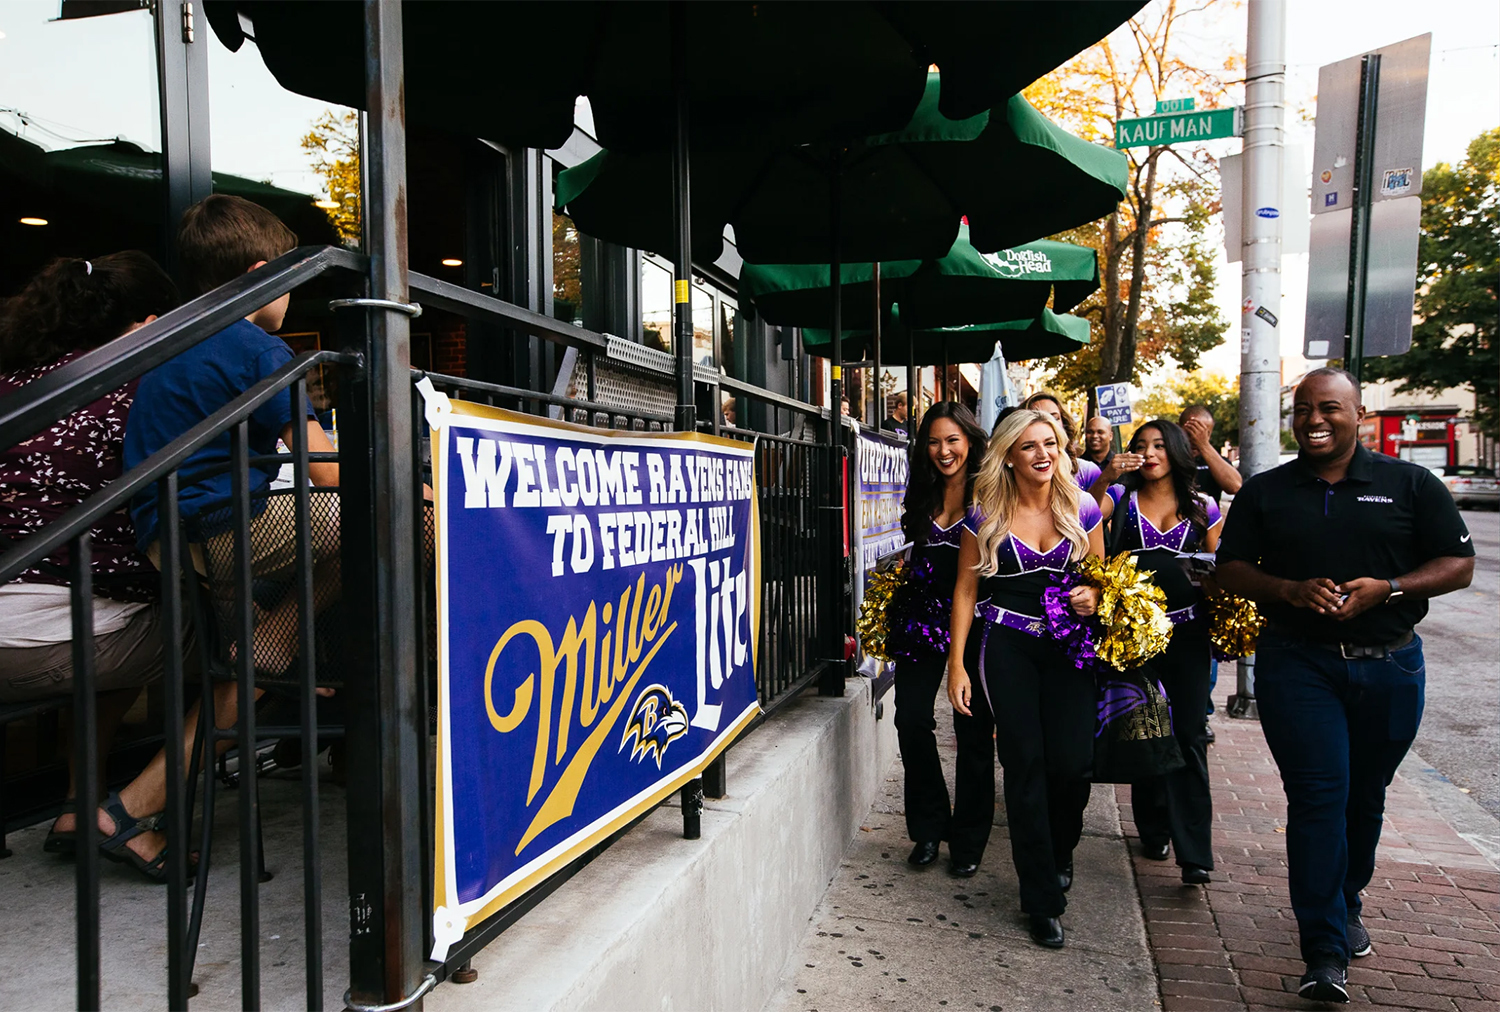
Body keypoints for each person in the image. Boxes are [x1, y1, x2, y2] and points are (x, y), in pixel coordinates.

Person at [1216, 368, 1474, 1004]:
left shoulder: (1409, 483)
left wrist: (1388, 588)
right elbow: (1230, 568)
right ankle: (1323, 949)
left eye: (1329, 408)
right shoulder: (1268, 492)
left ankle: (1346, 897)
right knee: (1317, 796)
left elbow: (1458, 565)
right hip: (1298, 664)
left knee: (1365, 796)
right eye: (1303, 410)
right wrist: (1288, 591)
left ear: (1359, 414)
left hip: (1391, 665)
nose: (1314, 421)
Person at [111, 195, 343, 877]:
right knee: (408, 524)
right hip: (220, 529)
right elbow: (328, 468)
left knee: (252, 673)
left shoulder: (180, 339)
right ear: (263, 273)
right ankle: (290, 646)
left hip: (173, 533)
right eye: (293, 283)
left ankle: (123, 809)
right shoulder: (256, 346)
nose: (296, 298)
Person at [0, 253, 183, 865]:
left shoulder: (14, 387)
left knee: (121, 614)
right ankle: (130, 810)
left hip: (24, 620)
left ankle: (81, 803)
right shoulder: (132, 390)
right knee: (258, 641)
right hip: (42, 639)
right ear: (145, 325)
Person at [947, 409, 1104, 950]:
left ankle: (1060, 853)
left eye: (1051, 443)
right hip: (1005, 645)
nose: (1043, 454)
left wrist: (1093, 597)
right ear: (1009, 455)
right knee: (1025, 765)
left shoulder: (1082, 508)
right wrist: (957, 664)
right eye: (1030, 445)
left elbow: (1103, 581)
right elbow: (965, 592)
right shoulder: (984, 513)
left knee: (1073, 766)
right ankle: (1041, 898)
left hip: (1070, 650)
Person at [1104, 420, 1222, 884]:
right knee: (1147, 729)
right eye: (1140, 446)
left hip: (1188, 634)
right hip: (1135, 636)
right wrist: (1107, 476)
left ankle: (1194, 852)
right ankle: (1153, 827)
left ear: (1176, 451)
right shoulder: (1122, 499)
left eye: (1158, 445)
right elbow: (1084, 516)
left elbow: (1219, 567)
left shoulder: (1203, 506)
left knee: (1190, 733)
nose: (1149, 453)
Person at [888, 402, 993, 878]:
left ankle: (969, 840)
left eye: (952, 440)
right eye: (933, 441)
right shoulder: (923, 493)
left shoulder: (991, 495)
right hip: (920, 621)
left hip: (977, 626)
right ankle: (929, 827)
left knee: (973, 734)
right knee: (910, 719)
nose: (943, 450)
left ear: (970, 440)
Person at [1023, 392, 1115, 516]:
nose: (1047, 423)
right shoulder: (1012, 472)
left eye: (1054, 417)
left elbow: (1100, 516)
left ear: (1064, 423)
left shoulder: (1086, 470)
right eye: (1036, 417)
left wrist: (1104, 481)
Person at [1178, 405, 1242, 505]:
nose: (1195, 439)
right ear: (1178, 429)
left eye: (1202, 434)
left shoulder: (1214, 460)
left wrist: (1203, 445)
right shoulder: (1167, 457)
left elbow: (1235, 487)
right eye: (1190, 432)